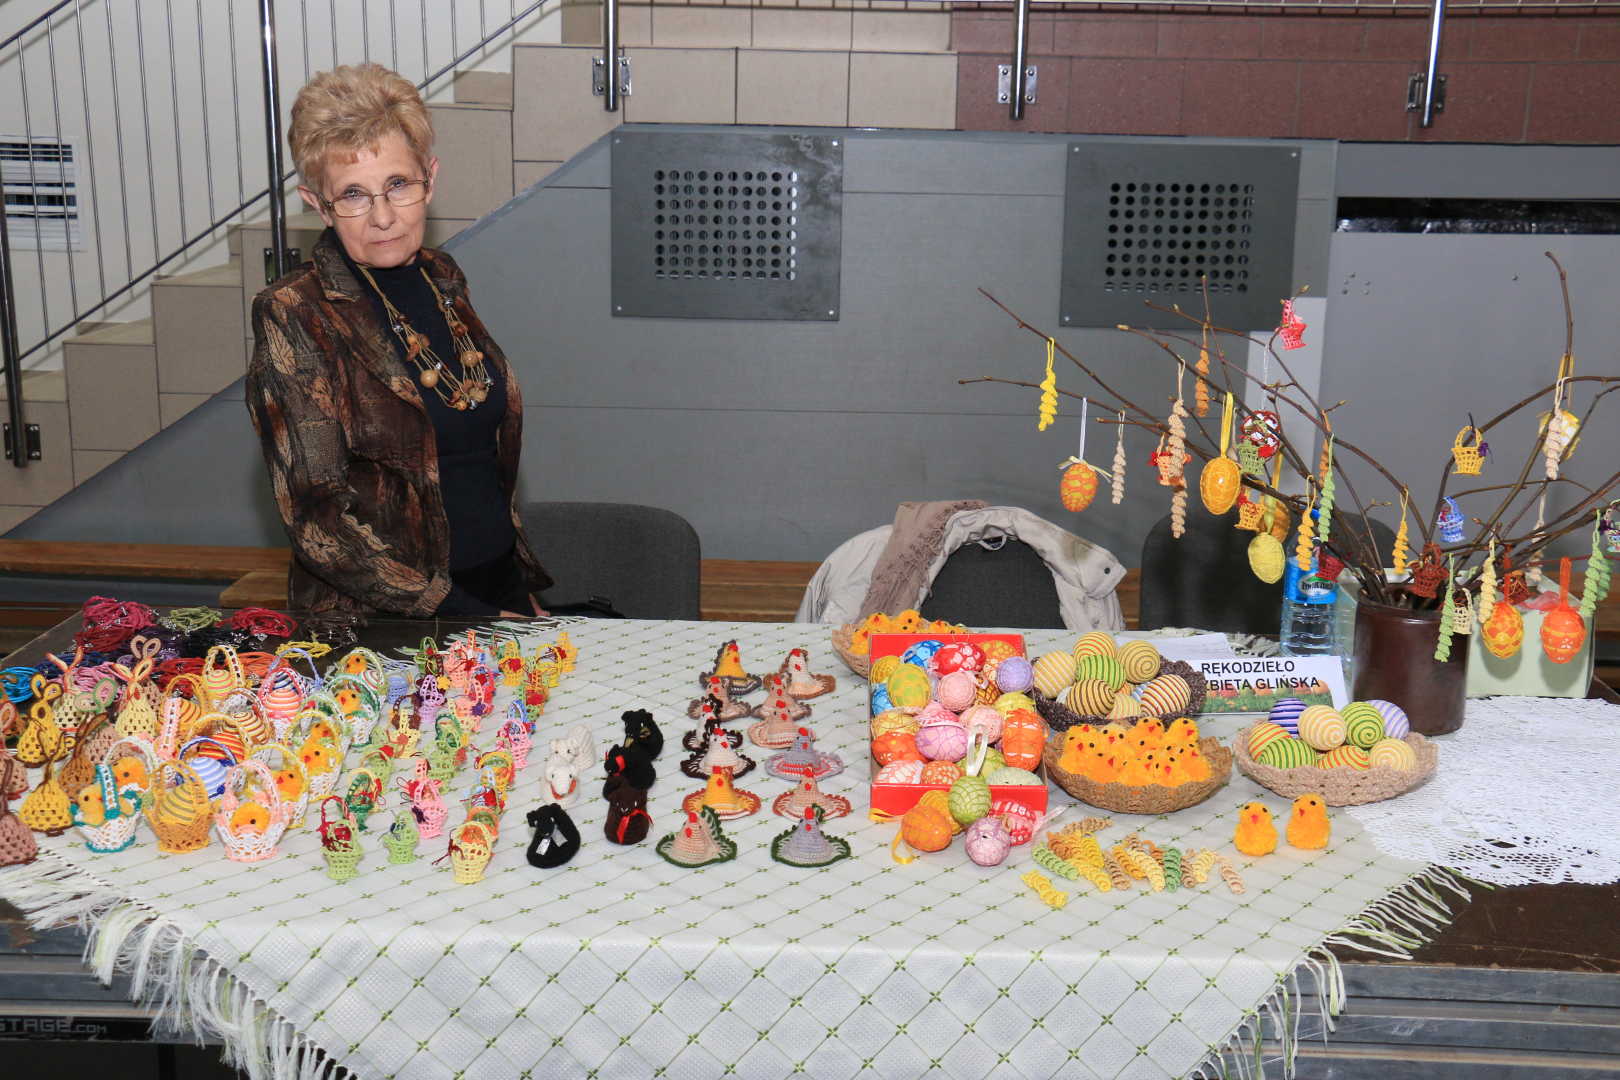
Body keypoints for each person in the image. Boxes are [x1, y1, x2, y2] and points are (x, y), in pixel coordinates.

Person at [246, 63, 549, 619]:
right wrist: (459, 610)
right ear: (317, 203)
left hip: (496, 592)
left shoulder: (442, 276)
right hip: (390, 624)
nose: (383, 217)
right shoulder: (296, 313)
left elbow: (475, 463)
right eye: (353, 194)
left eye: (398, 185)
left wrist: (514, 591)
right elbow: (317, 519)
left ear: (430, 179)